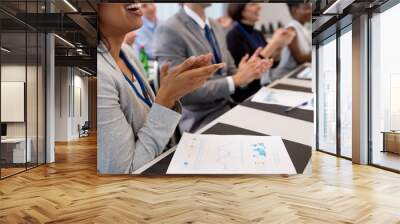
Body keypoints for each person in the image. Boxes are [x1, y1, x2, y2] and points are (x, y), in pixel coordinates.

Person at [97, 3, 225, 174]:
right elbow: (124, 172)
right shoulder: (99, 76)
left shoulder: (127, 53)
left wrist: (169, 95)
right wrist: (165, 101)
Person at [153, 3, 273, 133]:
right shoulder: (169, 29)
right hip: (202, 119)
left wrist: (248, 73)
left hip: (230, 108)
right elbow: (181, 93)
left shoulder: (215, 25)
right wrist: (236, 80)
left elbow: (231, 71)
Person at [226, 3, 295, 101]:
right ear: (240, 9)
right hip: (245, 95)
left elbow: (273, 63)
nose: (260, 6)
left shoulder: (257, 33)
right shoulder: (233, 36)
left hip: (261, 89)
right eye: (253, 4)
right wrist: (274, 43)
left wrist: (281, 45)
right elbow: (248, 71)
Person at [272, 3, 312, 79]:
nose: (310, 11)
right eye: (307, 8)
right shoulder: (291, 29)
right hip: (284, 76)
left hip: (298, 71)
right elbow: (299, 59)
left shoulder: (302, 28)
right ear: (294, 10)